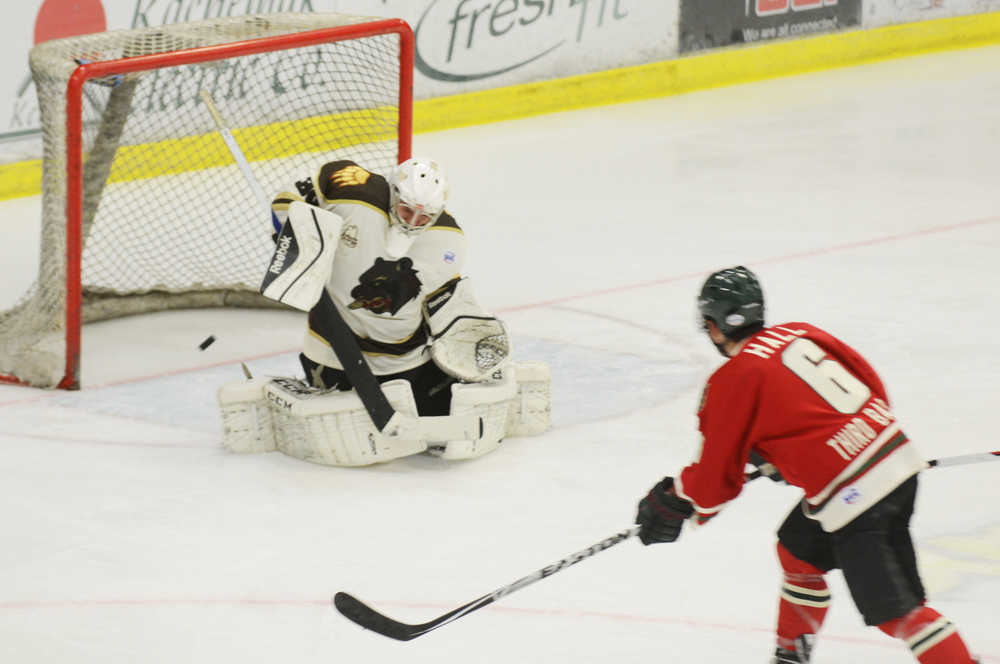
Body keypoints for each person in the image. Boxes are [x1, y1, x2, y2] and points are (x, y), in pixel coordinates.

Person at [633, 266, 979, 664]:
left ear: (712, 325)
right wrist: (794, 451)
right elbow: (870, 384)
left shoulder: (733, 378)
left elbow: (715, 481)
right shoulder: (799, 332)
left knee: (900, 614)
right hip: (889, 460)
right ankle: (790, 657)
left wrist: (675, 500)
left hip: (858, 498)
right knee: (798, 552)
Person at [217, 157, 551, 465]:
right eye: (406, 211)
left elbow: (446, 307)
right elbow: (287, 200)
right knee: (344, 429)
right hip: (332, 352)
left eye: (424, 217)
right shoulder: (349, 187)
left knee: (437, 421)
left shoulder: (449, 240)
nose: (413, 223)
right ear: (392, 193)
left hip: (407, 360)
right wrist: (292, 229)